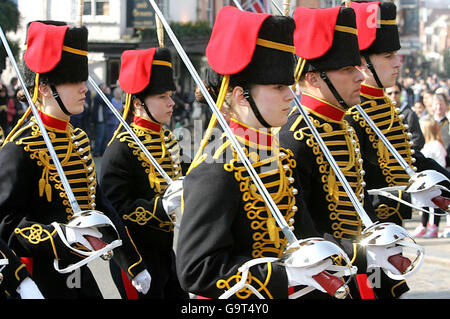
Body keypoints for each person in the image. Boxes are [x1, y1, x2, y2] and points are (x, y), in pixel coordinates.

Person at [177, 6, 347, 299]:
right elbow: (197, 270)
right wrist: (284, 274)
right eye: (278, 87)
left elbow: (305, 235)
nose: (290, 95)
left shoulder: (276, 156)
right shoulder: (216, 168)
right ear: (241, 97)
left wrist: (354, 254)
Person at [0, 20, 151, 298]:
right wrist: (57, 238)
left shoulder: (78, 139)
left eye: (83, 80)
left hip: (93, 273)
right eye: (74, 80)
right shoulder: (19, 148)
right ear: (45, 88)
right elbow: (5, 226)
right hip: (47, 278)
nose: (84, 88)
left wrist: (132, 261)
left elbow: (102, 206)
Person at [279, 4, 413, 299]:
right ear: (313, 78)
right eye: (346, 69)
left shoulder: (343, 125)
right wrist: (361, 253)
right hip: (321, 279)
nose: (360, 77)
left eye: (357, 67)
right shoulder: (294, 136)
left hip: (360, 267)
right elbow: (300, 227)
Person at [344, 1, 450, 230]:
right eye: (389, 55)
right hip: (369, 232)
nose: (397, 62)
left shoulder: (383, 103)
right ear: (364, 62)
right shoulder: (350, 112)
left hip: (395, 227)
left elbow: (410, 159)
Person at [100, 47, 188, 299]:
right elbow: (114, 211)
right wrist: (160, 207)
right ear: (138, 103)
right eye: (162, 96)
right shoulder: (120, 148)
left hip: (166, 252)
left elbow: (190, 172)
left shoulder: (168, 139)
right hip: (136, 258)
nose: (171, 102)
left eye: (170, 95)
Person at [385, 82, 424, 151]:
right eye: (390, 93)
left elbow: (418, 139)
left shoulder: (409, 114)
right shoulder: (383, 112)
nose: (393, 96)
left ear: (401, 93)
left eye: (396, 92)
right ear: (385, 94)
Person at [432, 93, 450, 167]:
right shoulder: (428, 122)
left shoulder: (448, 122)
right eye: (436, 104)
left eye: (441, 104)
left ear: (445, 105)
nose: (439, 107)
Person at [92, 83, 110, 156]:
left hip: (104, 119)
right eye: (104, 87)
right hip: (99, 120)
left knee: (105, 136)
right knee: (99, 136)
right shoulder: (97, 96)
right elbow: (104, 102)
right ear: (101, 88)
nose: (106, 88)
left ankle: (102, 151)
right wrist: (108, 94)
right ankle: (96, 152)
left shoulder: (103, 95)